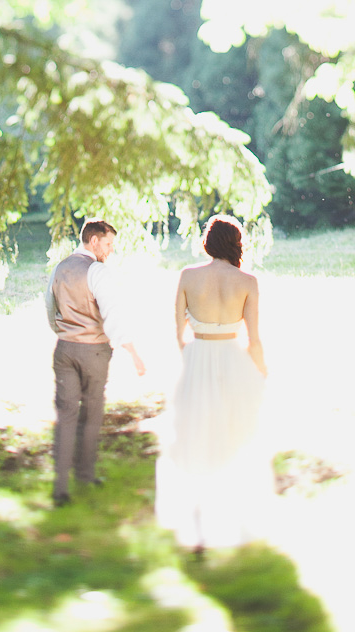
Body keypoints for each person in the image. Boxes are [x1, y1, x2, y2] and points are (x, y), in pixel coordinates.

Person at [155, 214, 272, 550]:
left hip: (197, 358)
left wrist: (191, 359)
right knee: (234, 437)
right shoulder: (247, 281)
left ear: (208, 243)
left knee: (193, 438)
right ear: (236, 244)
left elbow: (177, 333)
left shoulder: (188, 276)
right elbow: (254, 339)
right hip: (233, 361)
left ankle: (196, 526)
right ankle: (233, 518)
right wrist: (261, 372)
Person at [45, 219, 145, 506]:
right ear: (94, 241)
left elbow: (50, 307)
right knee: (91, 415)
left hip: (64, 349)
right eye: (109, 244)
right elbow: (113, 315)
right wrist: (134, 353)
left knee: (65, 417)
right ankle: (85, 475)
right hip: (93, 352)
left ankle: (61, 488)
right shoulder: (97, 271)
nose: (111, 250)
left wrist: (65, 333)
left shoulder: (60, 267)